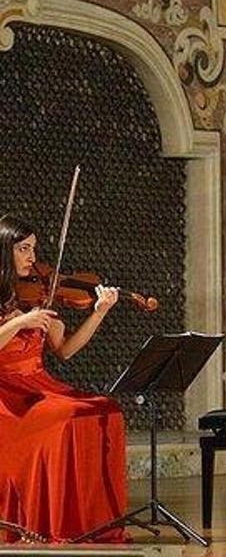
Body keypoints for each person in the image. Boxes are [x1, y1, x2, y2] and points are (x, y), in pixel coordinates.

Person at [0, 214, 127, 543]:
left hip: (40, 384)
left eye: (34, 249)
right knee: (68, 415)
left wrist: (99, 312)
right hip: (7, 395)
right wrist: (19, 322)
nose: (32, 258)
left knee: (105, 408)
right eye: (24, 249)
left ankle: (88, 523)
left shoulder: (38, 294)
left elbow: (66, 350)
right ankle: (53, 522)